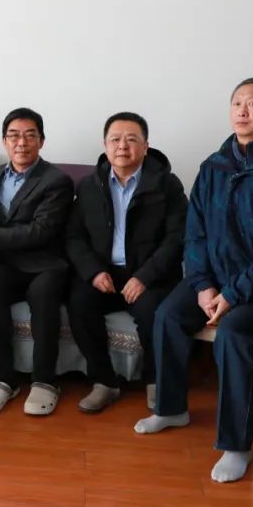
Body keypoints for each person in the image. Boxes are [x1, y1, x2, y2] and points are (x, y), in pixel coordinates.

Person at [135, 77, 253, 485]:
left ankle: (236, 445)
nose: (242, 111)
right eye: (237, 103)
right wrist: (202, 285)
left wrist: (234, 294)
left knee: (234, 332)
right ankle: (170, 408)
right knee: (167, 315)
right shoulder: (214, 165)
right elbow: (194, 232)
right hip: (212, 278)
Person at [66, 112, 187, 412]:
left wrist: (144, 276)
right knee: (80, 302)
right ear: (105, 145)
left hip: (150, 275)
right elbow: (74, 236)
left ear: (146, 147)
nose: (122, 146)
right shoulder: (89, 186)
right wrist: (93, 272)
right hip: (105, 273)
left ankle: (155, 381)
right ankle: (104, 382)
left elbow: (177, 237)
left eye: (131, 139)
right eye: (115, 139)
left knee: (153, 312)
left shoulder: (167, 185)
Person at [0, 108, 74, 415]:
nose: (21, 143)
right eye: (13, 136)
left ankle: (45, 381)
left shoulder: (57, 180)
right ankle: (2, 380)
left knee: (43, 294)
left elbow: (42, 231)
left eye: (29, 136)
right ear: (4, 141)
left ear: (41, 141)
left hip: (46, 262)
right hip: (8, 263)